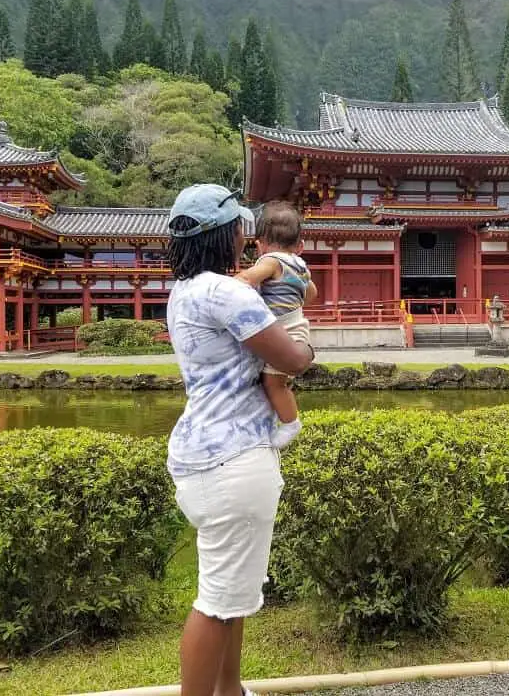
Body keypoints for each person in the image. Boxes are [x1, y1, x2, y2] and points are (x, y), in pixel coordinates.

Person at [165, 183, 314, 696]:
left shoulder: (182, 291)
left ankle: (231, 690)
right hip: (234, 459)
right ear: (229, 235)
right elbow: (292, 360)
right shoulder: (227, 291)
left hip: (198, 453)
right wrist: (305, 342)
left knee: (233, 595)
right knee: (215, 602)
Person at [235, 201, 316, 450]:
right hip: (297, 327)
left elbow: (247, 279)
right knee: (277, 380)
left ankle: (291, 423)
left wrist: (227, 285)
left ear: (260, 245)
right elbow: (311, 294)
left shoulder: (270, 261)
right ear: (300, 246)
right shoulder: (301, 266)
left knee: (273, 383)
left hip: (284, 332)